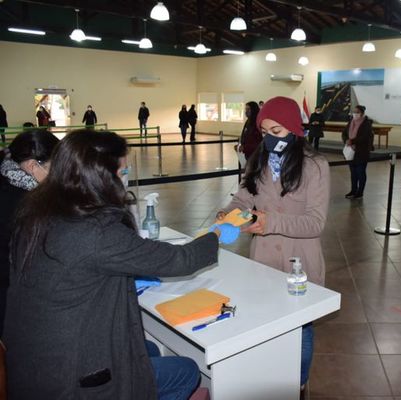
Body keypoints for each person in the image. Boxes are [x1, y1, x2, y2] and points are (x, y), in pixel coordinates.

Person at [4, 129, 225, 400]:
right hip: (70, 381)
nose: (125, 177)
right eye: (122, 171)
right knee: (186, 370)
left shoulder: (36, 212)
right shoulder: (94, 231)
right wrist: (215, 234)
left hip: (32, 362)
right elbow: (180, 260)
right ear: (99, 177)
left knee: (150, 350)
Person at [218, 96, 330, 394]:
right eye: (265, 132)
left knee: (301, 327)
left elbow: (316, 222)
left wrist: (272, 223)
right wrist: (228, 215)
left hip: (300, 263)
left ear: (294, 130)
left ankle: (299, 383)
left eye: (277, 132)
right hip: (264, 259)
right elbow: (243, 199)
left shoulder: (316, 166)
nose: (270, 139)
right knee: (266, 318)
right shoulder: (259, 160)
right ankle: (271, 374)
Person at [0, 130, 59, 337]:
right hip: (12, 313)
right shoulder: (25, 205)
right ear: (34, 166)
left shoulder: (7, 182)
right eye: (55, 168)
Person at [342, 105, 373, 200]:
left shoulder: (366, 124)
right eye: (354, 112)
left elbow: (364, 137)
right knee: (353, 173)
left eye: (357, 112)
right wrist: (346, 140)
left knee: (360, 172)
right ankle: (353, 190)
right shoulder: (351, 122)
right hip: (351, 151)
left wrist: (353, 141)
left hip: (361, 151)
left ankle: (360, 192)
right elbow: (344, 133)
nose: (355, 114)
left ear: (362, 113)